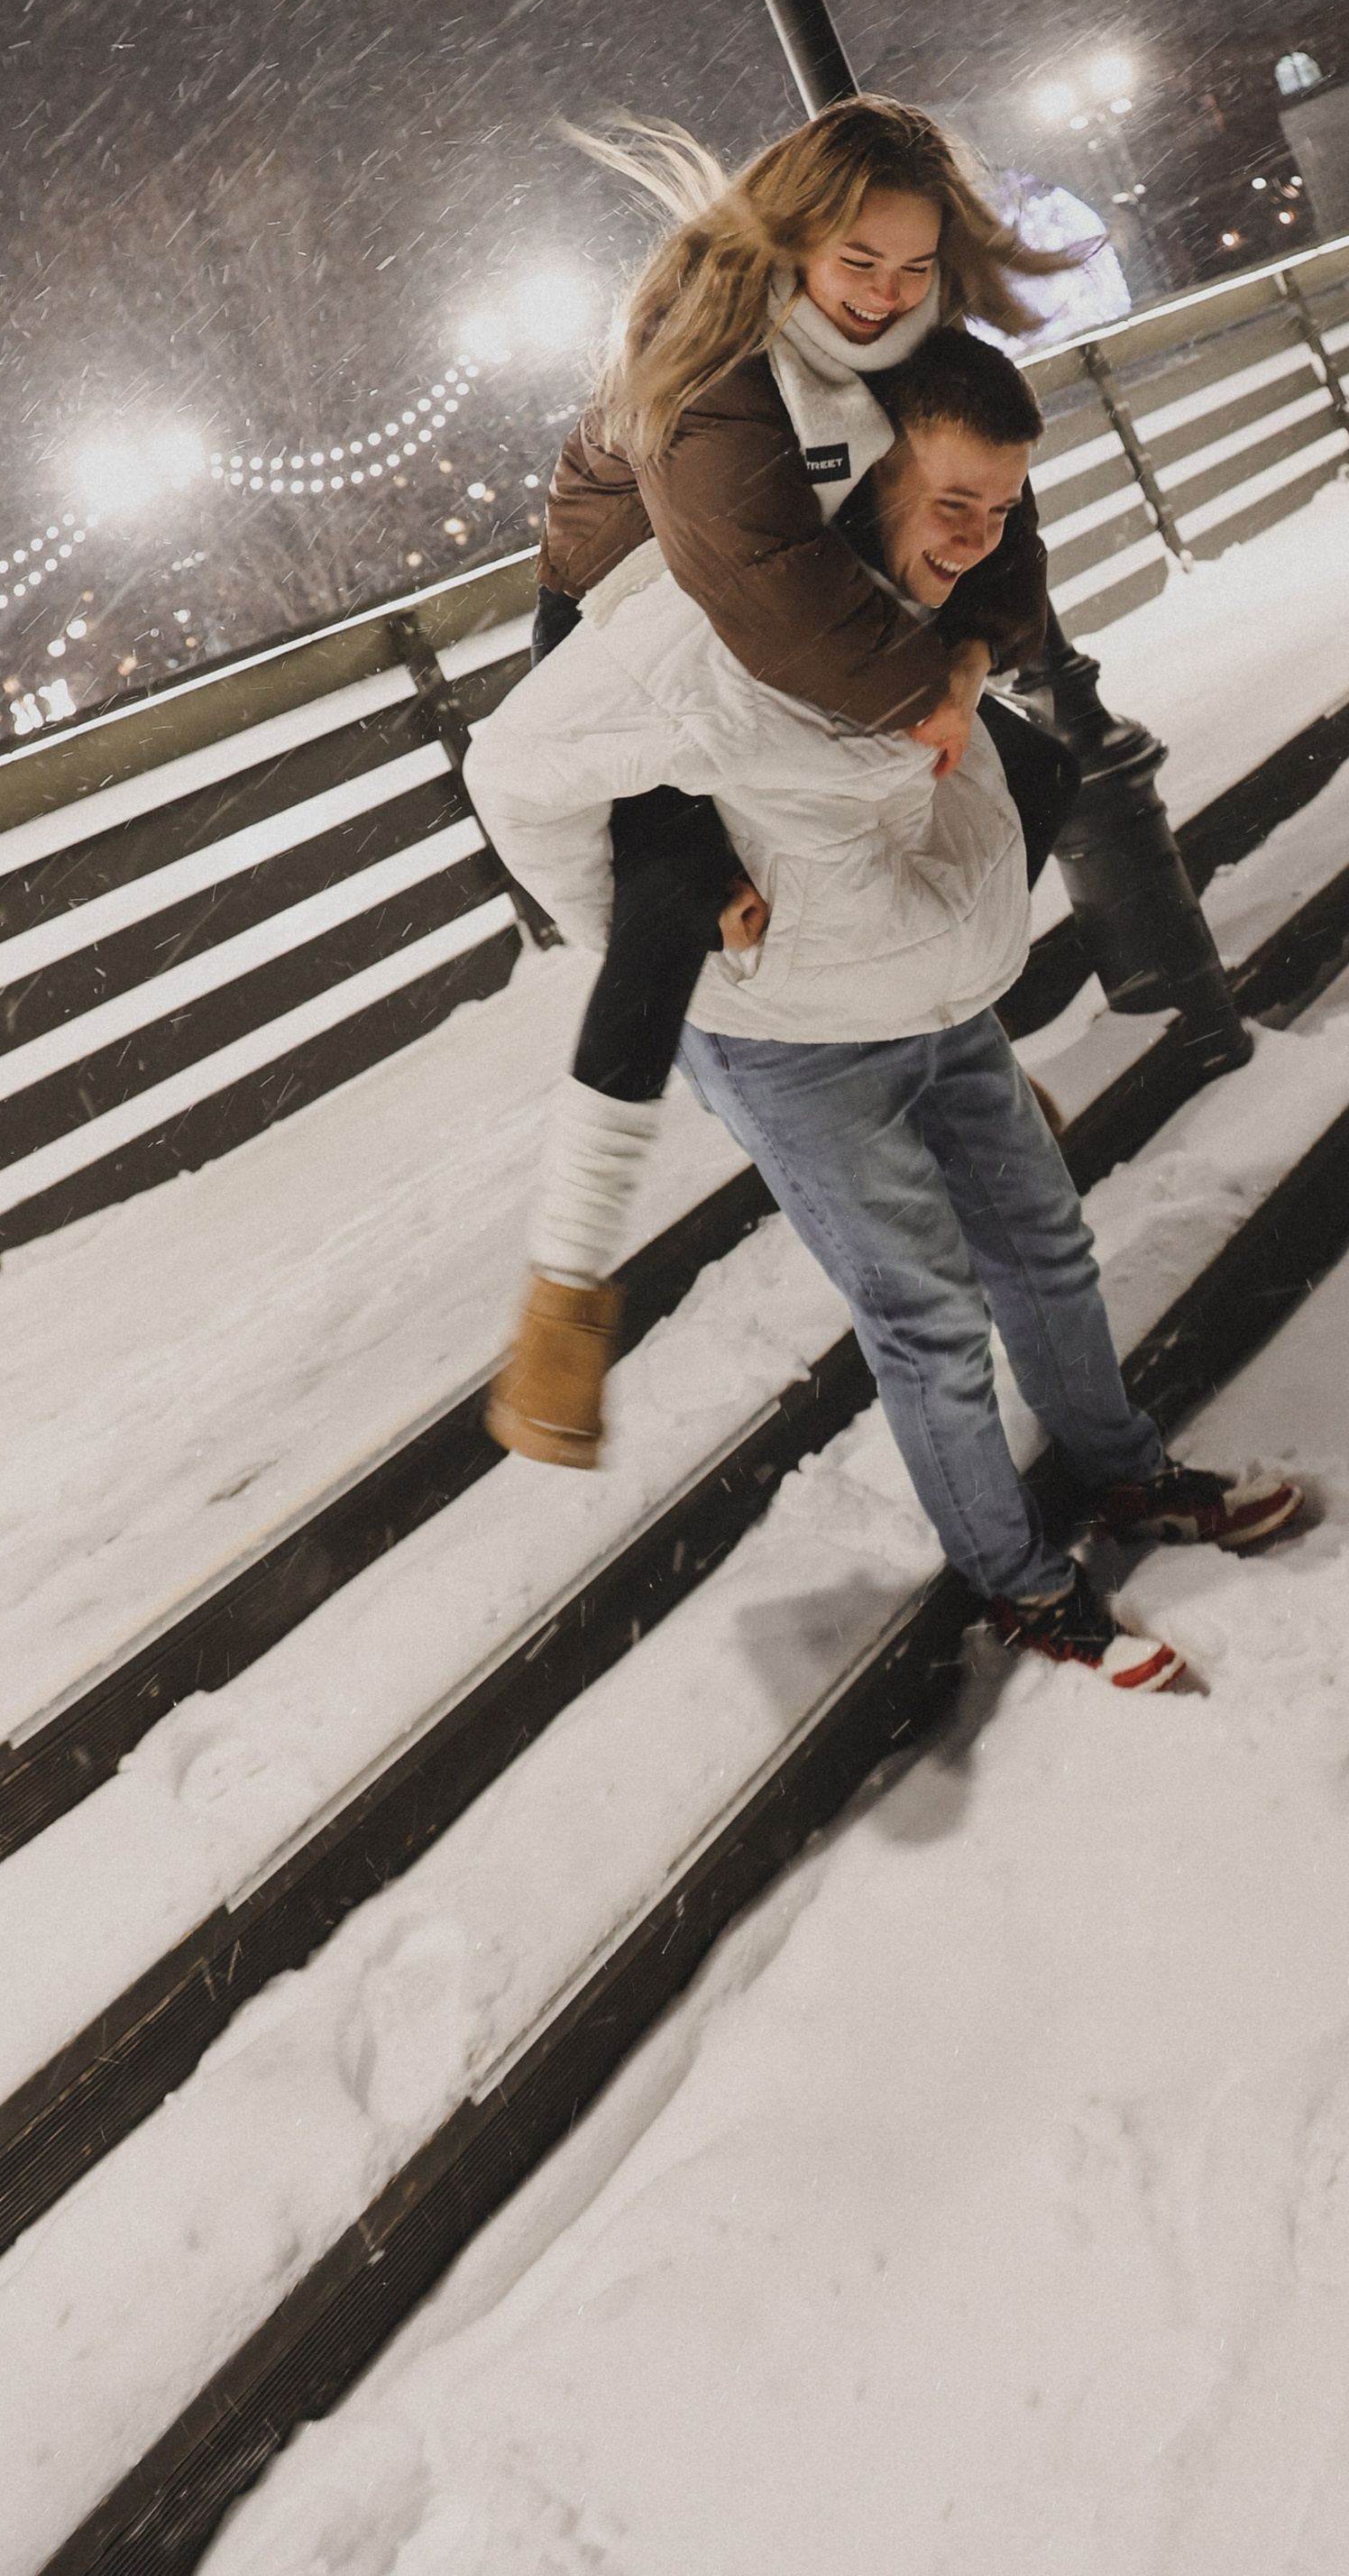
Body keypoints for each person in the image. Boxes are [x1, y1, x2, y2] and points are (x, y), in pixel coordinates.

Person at [464, 326, 1299, 1691]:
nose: (976, 537)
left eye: (1001, 507)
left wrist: (960, 963)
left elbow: (1009, 779)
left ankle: (1124, 1474)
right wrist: (657, 920)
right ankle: (1021, 1581)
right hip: (795, 1044)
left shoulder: (937, 614)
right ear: (863, 484)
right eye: (949, 503)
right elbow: (514, 774)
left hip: (939, 1014)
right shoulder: (710, 624)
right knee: (927, 1317)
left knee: (1046, 1247)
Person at [492, 96, 1081, 1465]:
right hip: (637, 641)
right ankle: (562, 1306)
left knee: (1032, 776)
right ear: (792, 241)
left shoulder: (924, 342)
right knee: (675, 907)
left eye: (912, 265)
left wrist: (975, 653)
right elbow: (763, 589)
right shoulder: (703, 357)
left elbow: (1004, 538)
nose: (884, 295)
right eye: (855, 261)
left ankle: (951, 1053)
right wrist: (924, 689)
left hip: (815, 626)